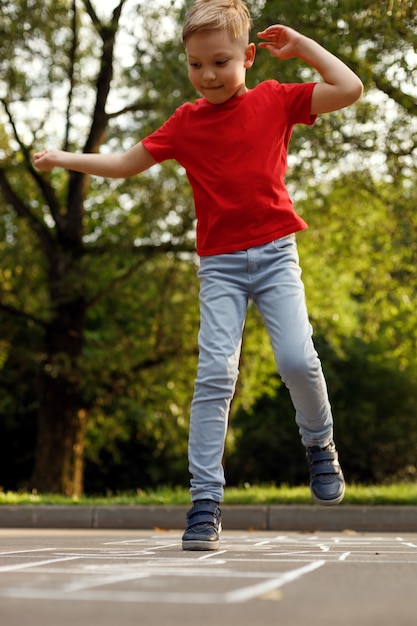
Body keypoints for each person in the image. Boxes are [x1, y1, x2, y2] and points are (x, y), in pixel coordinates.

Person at [33, 0, 363, 551]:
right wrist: (64, 157)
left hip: (276, 254)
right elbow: (125, 163)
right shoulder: (186, 123)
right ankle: (205, 503)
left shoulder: (276, 101)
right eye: (195, 64)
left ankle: (319, 445)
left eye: (220, 62)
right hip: (221, 266)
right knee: (215, 376)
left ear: (248, 57)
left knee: (297, 360)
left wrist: (302, 45)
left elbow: (349, 88)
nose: (207, 75)